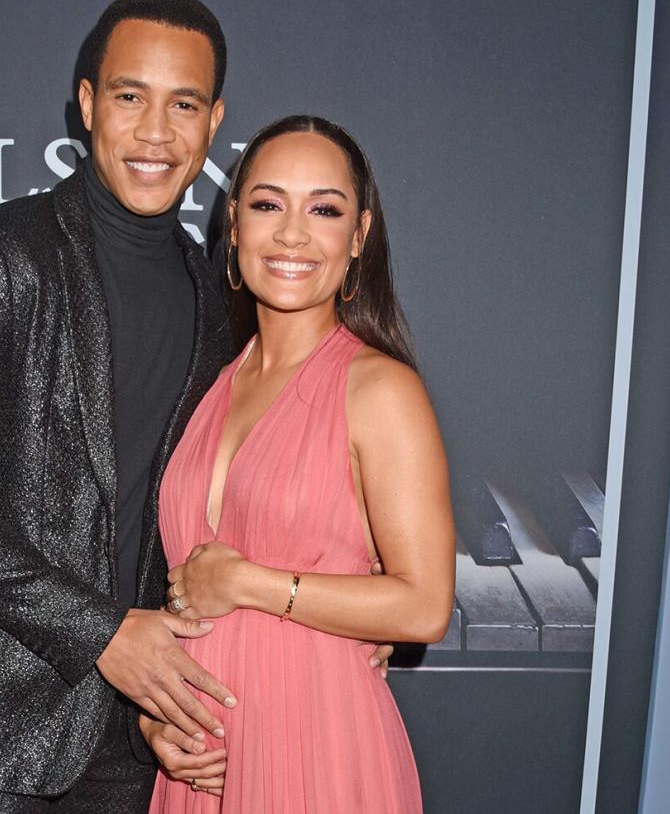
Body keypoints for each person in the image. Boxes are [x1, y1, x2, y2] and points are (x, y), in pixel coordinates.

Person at [0, 0, 394, 811]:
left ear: (214, 120)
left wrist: (354, 619)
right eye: (129, 97)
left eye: (182, 104)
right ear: (86, 106)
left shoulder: (221, 300)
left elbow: (229, 510)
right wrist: (103, 634)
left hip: (147, 731)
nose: (156, 132)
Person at [141, 115, 456, 812]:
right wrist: (158, 713)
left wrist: (252, 584)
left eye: (324, 209)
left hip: (319, 752)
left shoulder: (379, 389)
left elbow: (425, 605)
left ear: (358, 237)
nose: (291, 233)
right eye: (267, 204)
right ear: (235, 223)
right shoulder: (208, 382)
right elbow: (182, 587)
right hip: (202, 767)